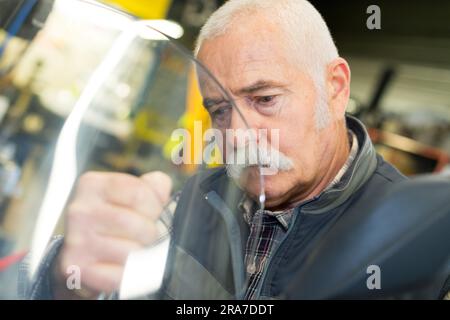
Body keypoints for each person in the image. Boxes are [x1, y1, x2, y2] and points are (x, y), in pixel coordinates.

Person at [23, 0, 435, 300]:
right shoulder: (190, 203)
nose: (236, 135)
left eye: (265, 98)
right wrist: (69, 281)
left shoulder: (417, 236)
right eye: (220, 110)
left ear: (336, 87)